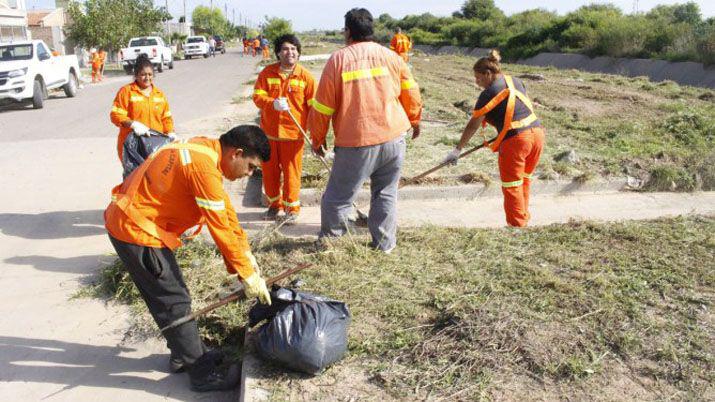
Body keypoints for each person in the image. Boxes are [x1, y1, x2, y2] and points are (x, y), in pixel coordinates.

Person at [104, 125, 272, 392]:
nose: (248, 174)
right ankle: (201, 372)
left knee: (168, 296)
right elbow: (219, 229)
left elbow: (226, 214)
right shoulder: (203, 168)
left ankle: (183, 352)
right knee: (174, 299)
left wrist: (246, 255)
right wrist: (247, 275)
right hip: (136, 231)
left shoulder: (204, 149)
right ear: (236, 153)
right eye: (250, 167)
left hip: (134, 223)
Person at [307, 8, 422, 253]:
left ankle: (331, 245)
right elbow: (411, 92)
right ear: (371, 29)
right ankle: (385, 245)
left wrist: (317, 138)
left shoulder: (338, 60)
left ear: (348, 31)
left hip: (357, 142)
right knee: (386, 193)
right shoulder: (392, 57)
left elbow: (322, 107)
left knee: (337, 198)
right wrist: (414, 120)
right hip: (393, 138)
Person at [442, 50, 545, 227]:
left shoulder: (489, 93)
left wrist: (457, 150)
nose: (477, 83)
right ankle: (523, 220)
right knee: (523, 180)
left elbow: (473, 125)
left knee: (512, 185)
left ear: (488, 74)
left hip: (518, 141)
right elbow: (514, 110)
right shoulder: (515, 80)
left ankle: (516, 227)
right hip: (537, 134)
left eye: (478, 78)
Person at [252, 34, 316, 223]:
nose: (290, 53)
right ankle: (274, 206)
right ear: (278, 53)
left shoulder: (306, 77)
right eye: (286, 49)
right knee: (270, 173)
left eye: (294, 49)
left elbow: (314, 108)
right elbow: (257, 97)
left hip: (293, 135)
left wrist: (315, 134)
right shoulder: (267, 73)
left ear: (298, 53)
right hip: (269, 135)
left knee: (291, 174)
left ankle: (292, 209)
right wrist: (272, 103)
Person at [110, 55, 176, 162]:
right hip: (133, 146)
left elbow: (166, 118)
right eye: (143, 75)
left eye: (150, 74)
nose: (147, 78)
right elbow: (115, 115)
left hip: (156, 145)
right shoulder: (126, 92)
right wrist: (133, 124)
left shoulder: (159, 95)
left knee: (156, 177)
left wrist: (170, 132)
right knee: (135, 177)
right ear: (136, 75)